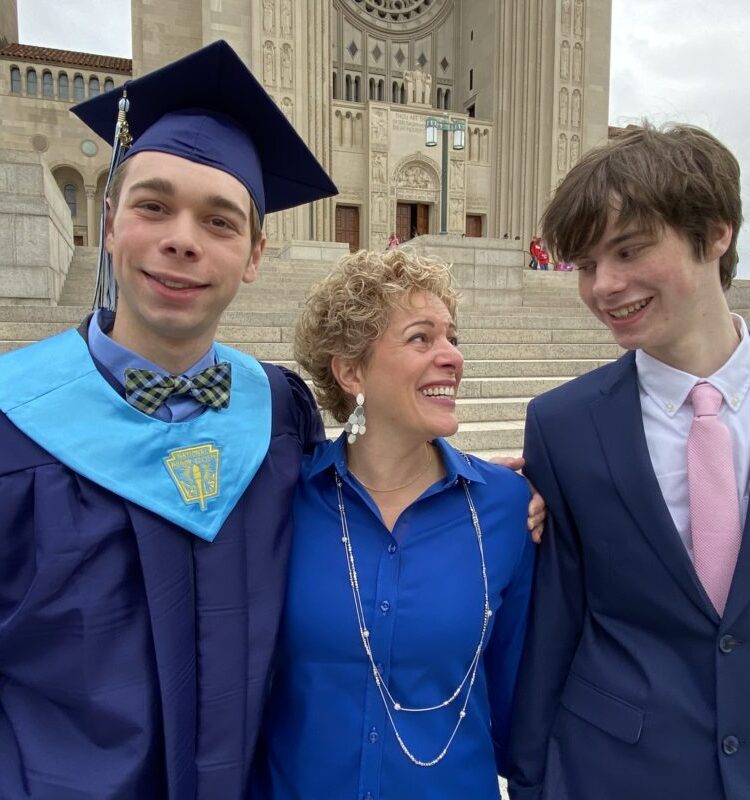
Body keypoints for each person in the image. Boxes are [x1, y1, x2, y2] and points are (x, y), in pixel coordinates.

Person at [0, 41, 337, 799]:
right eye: (153, 206)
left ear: (254, 255)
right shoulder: (12, 420)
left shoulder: (282, 412)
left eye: (219, 221)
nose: (182, 237)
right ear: (109, 224)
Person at [507, 124, 749, 799]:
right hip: (613, 773)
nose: (603, 286)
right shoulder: (563, 425)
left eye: (629, 250)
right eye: (586, 264)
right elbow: (554, 629)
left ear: (716, 232)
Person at [252, 249, 536, 799]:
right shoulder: (283, 499)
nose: (452, 356)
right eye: (421, 338)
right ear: (351, 370)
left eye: (452, 337)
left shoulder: (505, 507)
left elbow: (518, 696)